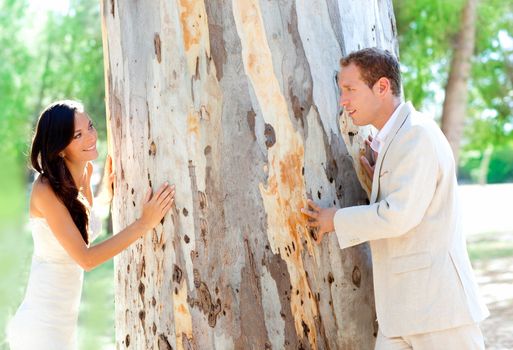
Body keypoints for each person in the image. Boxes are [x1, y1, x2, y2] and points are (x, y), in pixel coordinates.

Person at [301, 48, 489, 350]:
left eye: (350, 89)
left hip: (438, 313)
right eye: (341, 91)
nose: (343, 100)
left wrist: (335, 219)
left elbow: (399, 215)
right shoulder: (399, 138)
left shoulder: (417, 135)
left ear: (383, 87)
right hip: (402, 313)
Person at [7, 100, 175, 350]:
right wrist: (143, 224)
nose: (91, 137)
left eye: (90, 127)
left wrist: (105, 194)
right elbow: (85, 259)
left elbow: (84, 231)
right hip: (40, 329)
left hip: (63, 329)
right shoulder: (44, 190)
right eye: (78, 135)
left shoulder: (82, 174)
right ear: (61, 148)